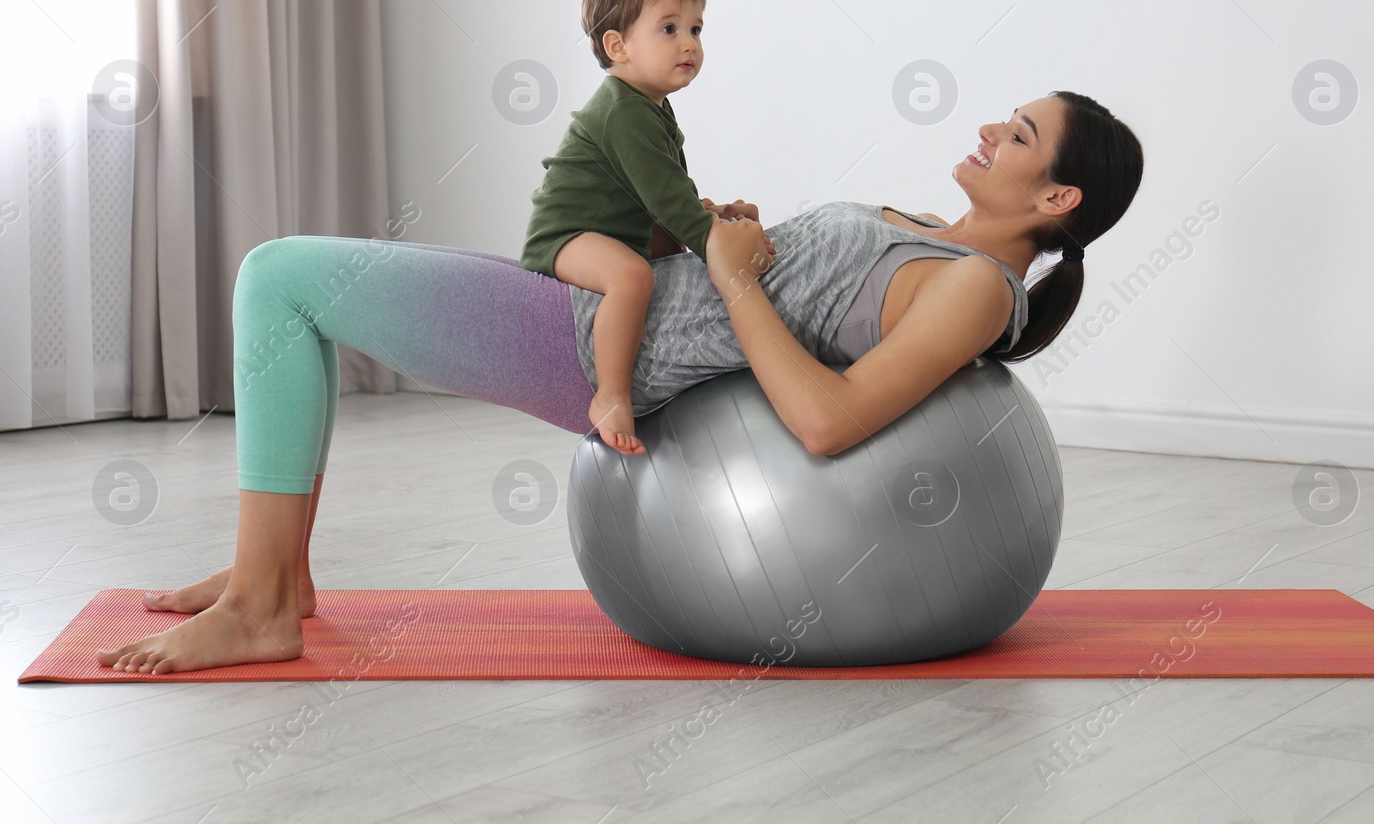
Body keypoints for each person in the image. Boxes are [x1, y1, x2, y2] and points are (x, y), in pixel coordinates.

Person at [98, 90, 1144, 674]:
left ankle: (266, 602)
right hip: (606, 304)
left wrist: (736, 279)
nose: (985, 131)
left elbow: (828, 423)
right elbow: (801, 300)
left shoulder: (970, 291)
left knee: (279, 279)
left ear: (1054, 192)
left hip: (599, 346)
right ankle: (268, 578)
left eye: (1014, 135)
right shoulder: (929, 235)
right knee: (295, 288)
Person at [519, 0, 775, 456]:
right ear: (618, 46)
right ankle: (612, 395)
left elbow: (669, 191)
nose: (690, 43)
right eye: (669, 28)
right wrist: (725, 251)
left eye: (696, 29)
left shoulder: (652, 106)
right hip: (567, 237)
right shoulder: (622, 111)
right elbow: (667, 201)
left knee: (664, 255)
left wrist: (715, 214)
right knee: (632, 277)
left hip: (621, 226)